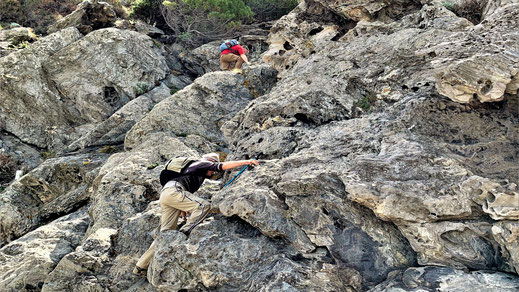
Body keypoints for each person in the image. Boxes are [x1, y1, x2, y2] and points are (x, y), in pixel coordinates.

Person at [133, 153, 259, 277]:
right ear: (210, 161)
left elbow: (183, 197)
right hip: (173, 191)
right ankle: (183, 234)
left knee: (165, 234)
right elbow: (221, 166)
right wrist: (246, 162)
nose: (213, 172)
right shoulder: (201, 163)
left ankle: (140, 266)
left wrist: (183, 213)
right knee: (203, 206)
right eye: (212, 167)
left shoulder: (193, 172)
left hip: (166, 194)